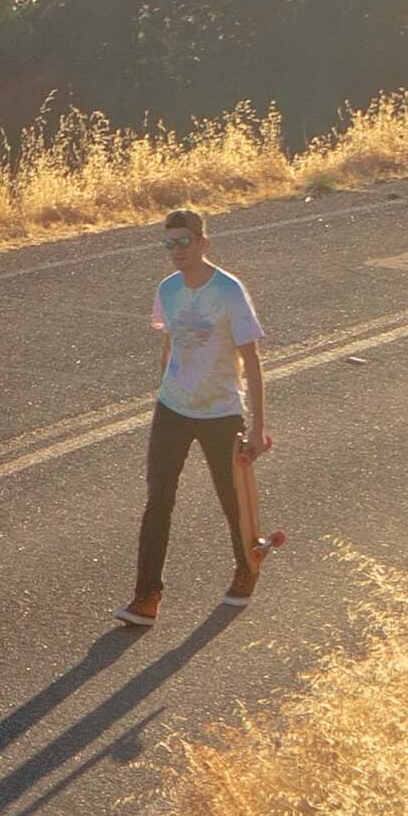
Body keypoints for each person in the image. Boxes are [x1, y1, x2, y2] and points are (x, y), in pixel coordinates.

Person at [112, 208, 271, 625]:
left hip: (221, 412)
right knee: (158, 500)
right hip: (173, 408)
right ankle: (146, 596)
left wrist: (256, 427)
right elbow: (170, 343)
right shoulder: (167, 290)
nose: (177, 251)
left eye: (184, 242)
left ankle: (247, 566)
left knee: (231, 499)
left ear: (203, 243)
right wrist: (164, 385)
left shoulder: (229, 291)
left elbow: (251, 360)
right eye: (169, 243)